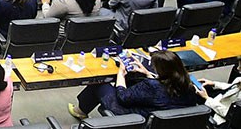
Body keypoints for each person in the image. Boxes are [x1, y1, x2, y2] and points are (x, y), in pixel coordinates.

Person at [70, 49, 204, 119]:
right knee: (135, 78)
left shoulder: (151, 86)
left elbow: (123, 97)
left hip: (133, 116)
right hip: (160, 116)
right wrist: (147, 73)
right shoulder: (187, 84)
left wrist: (120, 75)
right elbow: (165, 86)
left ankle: (81, 111)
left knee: (100, 83)